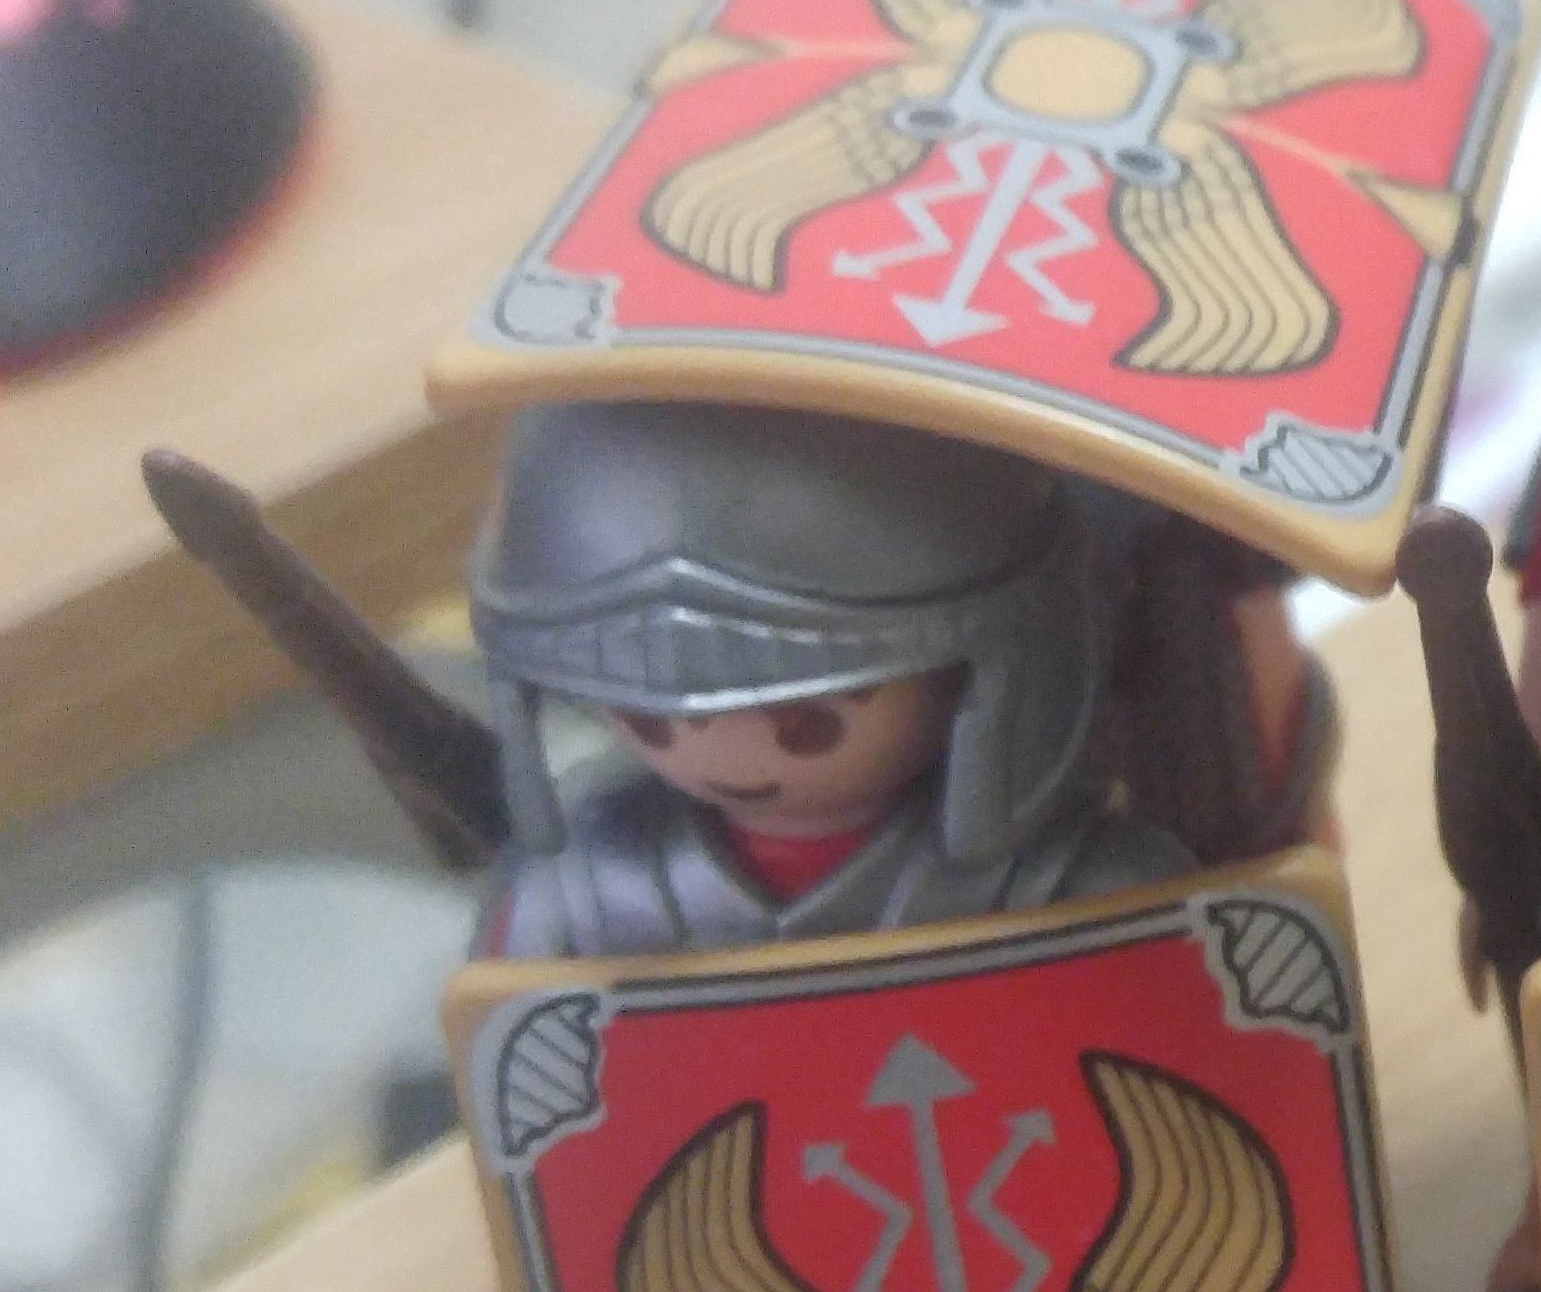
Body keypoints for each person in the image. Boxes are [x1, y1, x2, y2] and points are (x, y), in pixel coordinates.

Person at [468, 396, 1188, 959]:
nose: (722, 754)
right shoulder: (573, 904)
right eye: (649, 718)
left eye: (803, 721)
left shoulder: (1087, 892)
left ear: (973, 677)